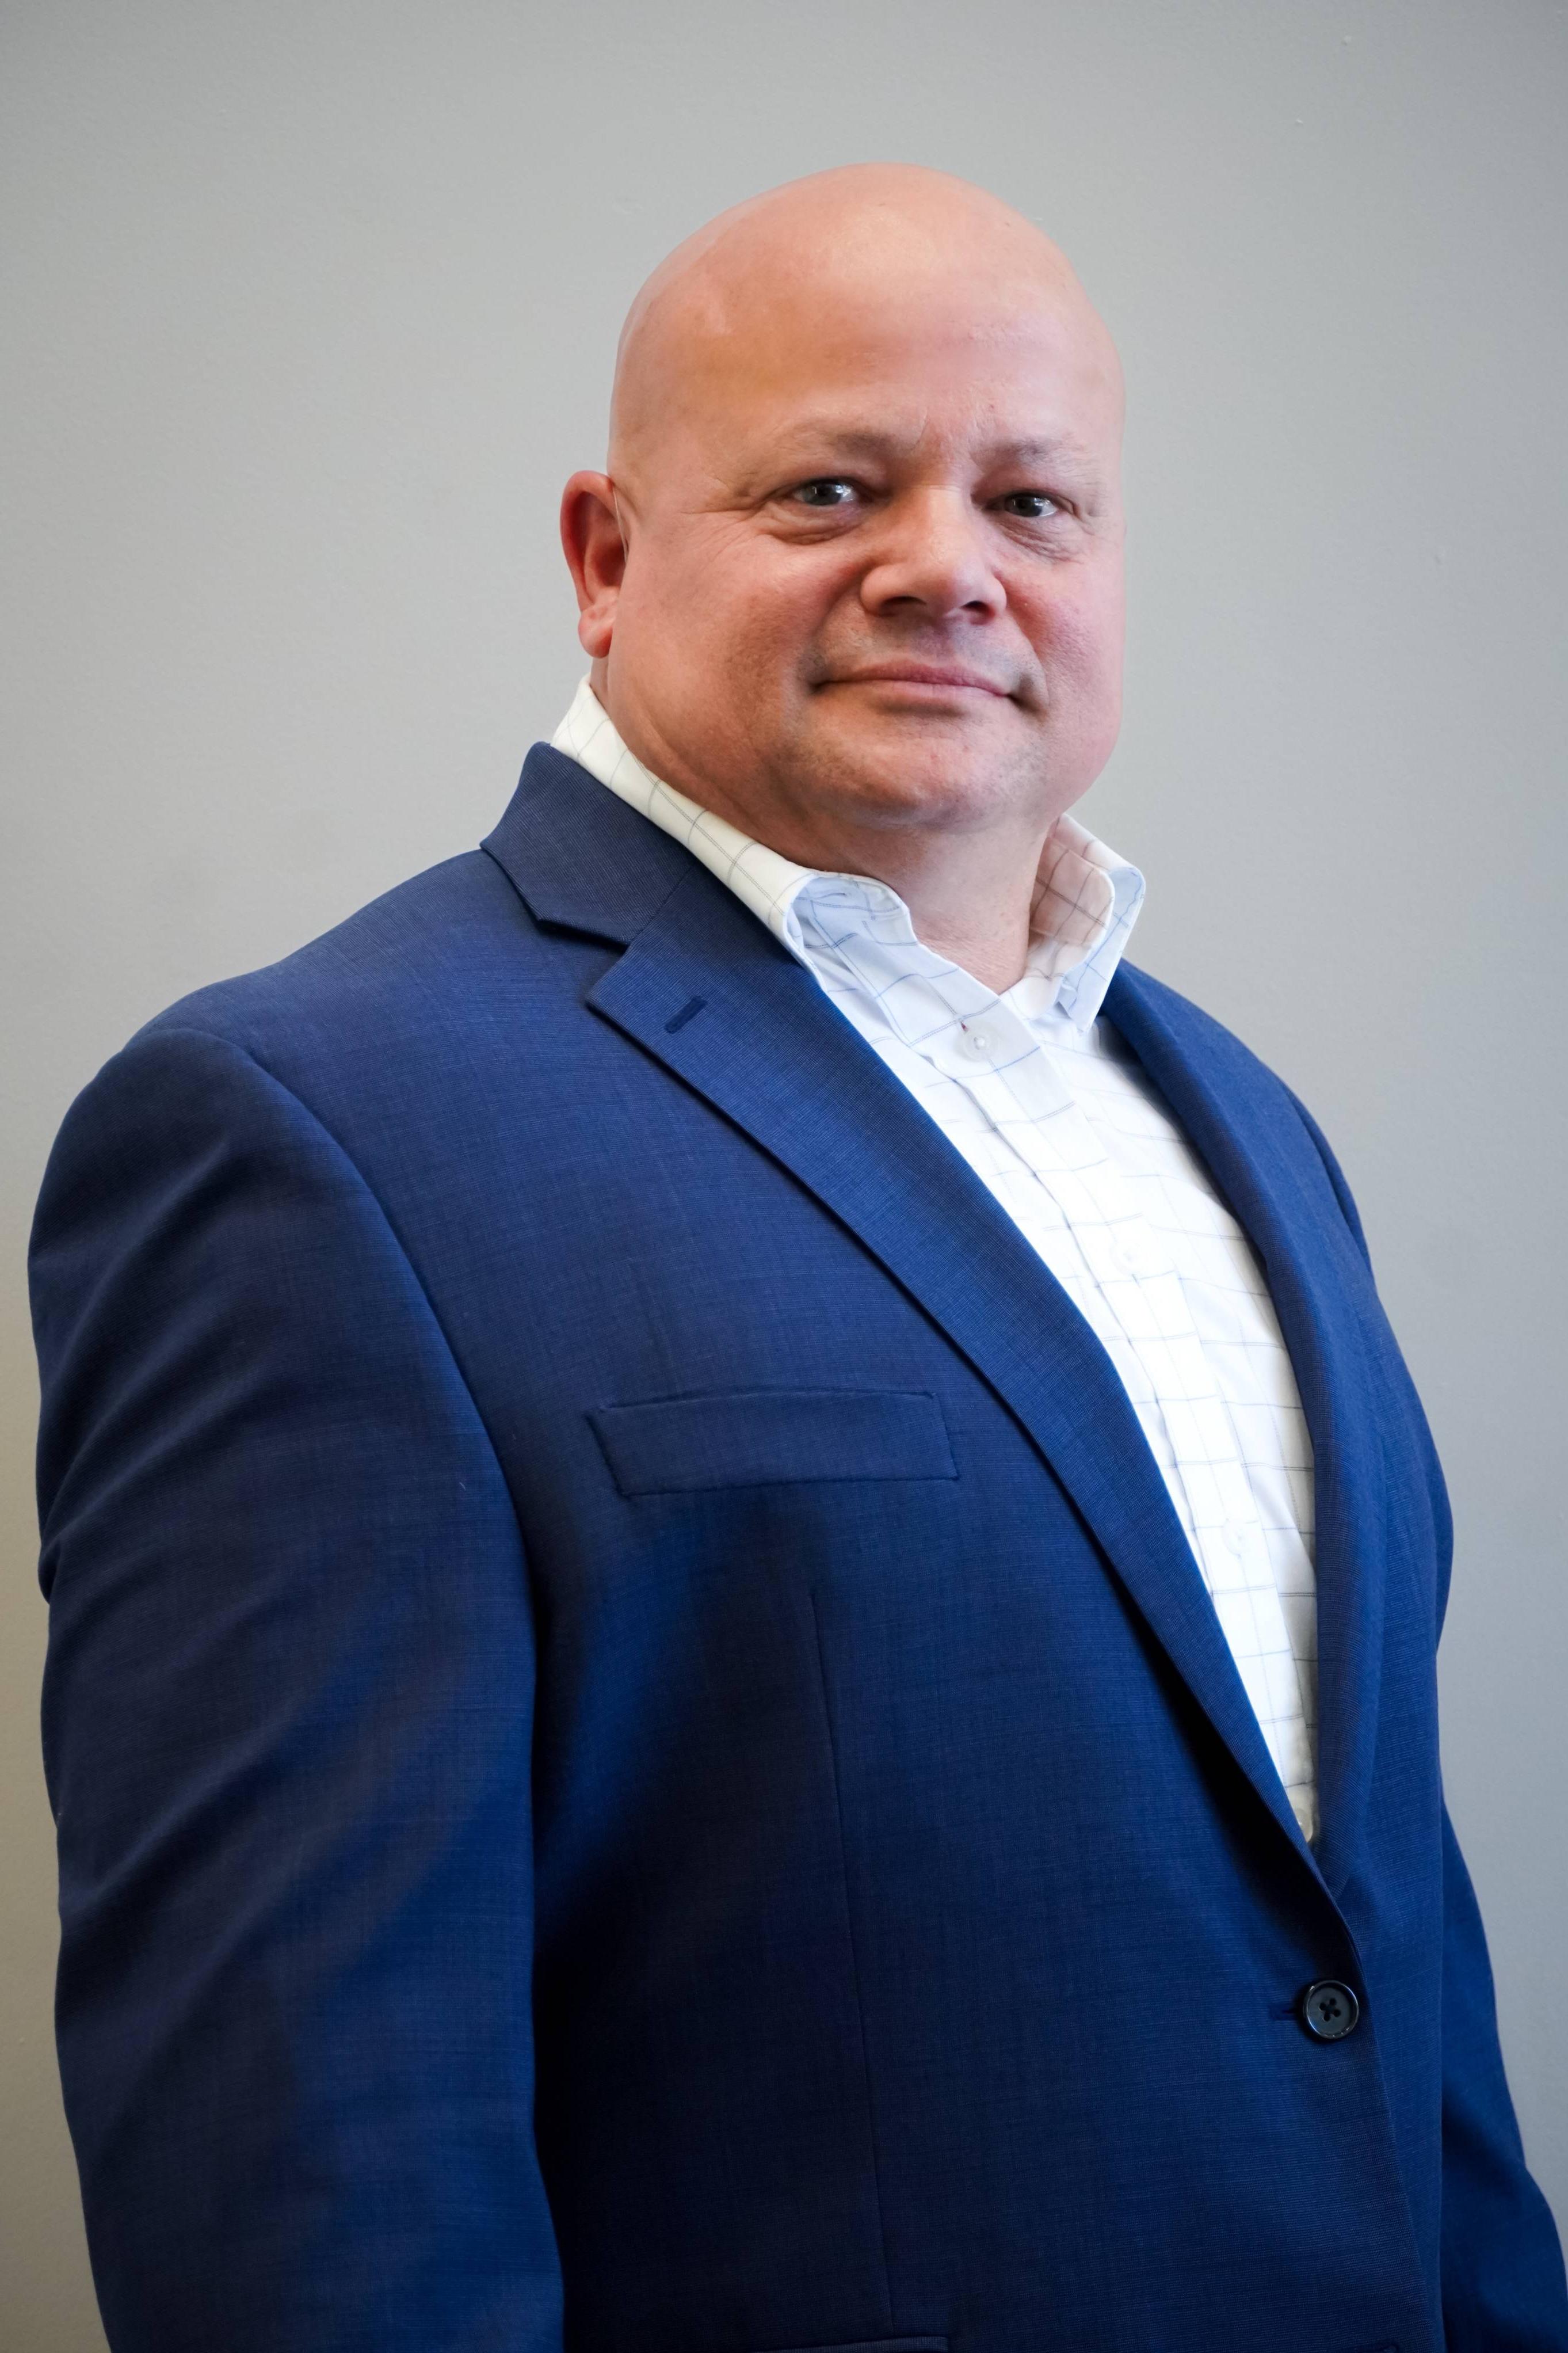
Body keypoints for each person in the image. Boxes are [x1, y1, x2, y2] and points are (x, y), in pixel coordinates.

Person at [30, 163, 1566, 2353]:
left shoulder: (1237, 1126)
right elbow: (311, 2162)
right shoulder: (312, 1132)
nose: (947, 569)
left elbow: (1383, 1969)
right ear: (603, 556)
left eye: (1036, 505)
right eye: (833, 486)